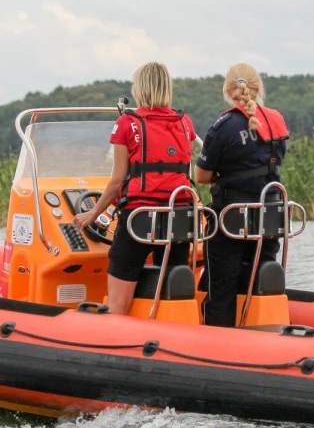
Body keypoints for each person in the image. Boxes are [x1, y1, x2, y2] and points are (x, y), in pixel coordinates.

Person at [74, 62, 197, 315]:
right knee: (171, 298)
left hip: (138, 219)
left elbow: (117, 180)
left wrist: (92, 215)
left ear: (139, 88)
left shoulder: (127, 123)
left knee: (118, 304)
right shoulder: (185, 123)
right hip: (179, 218)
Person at [194, 63, 289, 328]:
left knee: (221, 286)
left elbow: (201, 176)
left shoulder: (223, 125)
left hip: (232, 217)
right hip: (270, 217)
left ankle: (218, 340)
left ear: (227, 90)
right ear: (258, 88)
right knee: (259, 276)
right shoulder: (276, 120)